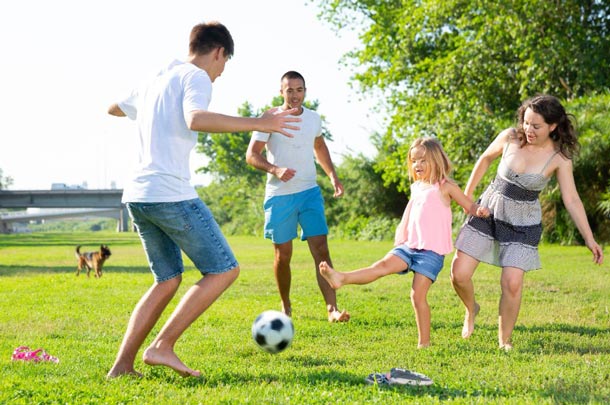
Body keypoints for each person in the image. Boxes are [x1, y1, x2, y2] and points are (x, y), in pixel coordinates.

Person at [106, 22, 301, 378]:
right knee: (224, 269)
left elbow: (114, 108)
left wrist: (147, 110)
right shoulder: (195, 76)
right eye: (224, 65)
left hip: (137, 194)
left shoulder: (155, 77)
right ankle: (162, 347)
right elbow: (195, 118)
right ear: (218, 52)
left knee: (166, 279)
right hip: (169, 192)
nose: (220, 74)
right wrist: (260, 122)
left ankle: (121, 366)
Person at [451, 94, 604, 350]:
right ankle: (471, 308)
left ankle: (505, 342)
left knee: (512, 282)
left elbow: (572, 199)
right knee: (459, 274)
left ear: (553, 126)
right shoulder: (510, 137)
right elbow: (485, 159)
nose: (528, 130)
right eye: (526, 122)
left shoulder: (559, 158)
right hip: (488, 211)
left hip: (523, 223)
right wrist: (468, 200)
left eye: (536, 126)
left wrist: (589, 238)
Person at [319, 137, 490, 348]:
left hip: (431, 252)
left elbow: (468, 205)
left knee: (417, 296)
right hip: (409, 245)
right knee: (380, 266)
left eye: (423, 160)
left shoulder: (445, 187)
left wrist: (478, 210)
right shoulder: (416, 187)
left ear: (436, 160)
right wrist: (402, 233)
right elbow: (411, 212)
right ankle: (341, 279)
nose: (417, 165)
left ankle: (424, 344)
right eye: (414, 160)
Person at [245, 71, 350, 323]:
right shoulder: (269, 118)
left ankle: (332, 309)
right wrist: (275, 169)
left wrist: (333, 176)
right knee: (283, 255)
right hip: (280, 195)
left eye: (299, 90)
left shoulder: (313, 118)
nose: (294, 95)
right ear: (281, 92)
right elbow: (251, 155)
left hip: (309, 192)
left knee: (321, 250)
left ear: (305, 91)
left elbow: (319, 146)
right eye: (289, 90)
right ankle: (286, 305)